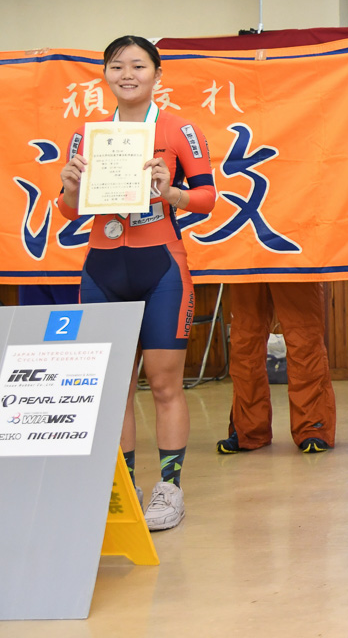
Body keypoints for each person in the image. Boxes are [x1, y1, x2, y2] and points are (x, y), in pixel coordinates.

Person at [58, 35, 217, 531]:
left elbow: (208, 198)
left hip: (161, 269)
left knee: (166, 384)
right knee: (114, 388)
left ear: (156, 74)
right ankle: (124, 491)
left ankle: (170, 489)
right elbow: (68, 209)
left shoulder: (177, 128)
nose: (127, 74)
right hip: (101, 267)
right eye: (117, 66)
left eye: (138, 66)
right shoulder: (89, 135)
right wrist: (68, 183)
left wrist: (166, 191)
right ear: (104, 74)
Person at [216, 282, 337, 455]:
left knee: (304, 340)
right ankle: (248, 429)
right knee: (245, 342)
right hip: (247, 258)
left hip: (295, 258)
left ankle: (312, 426)